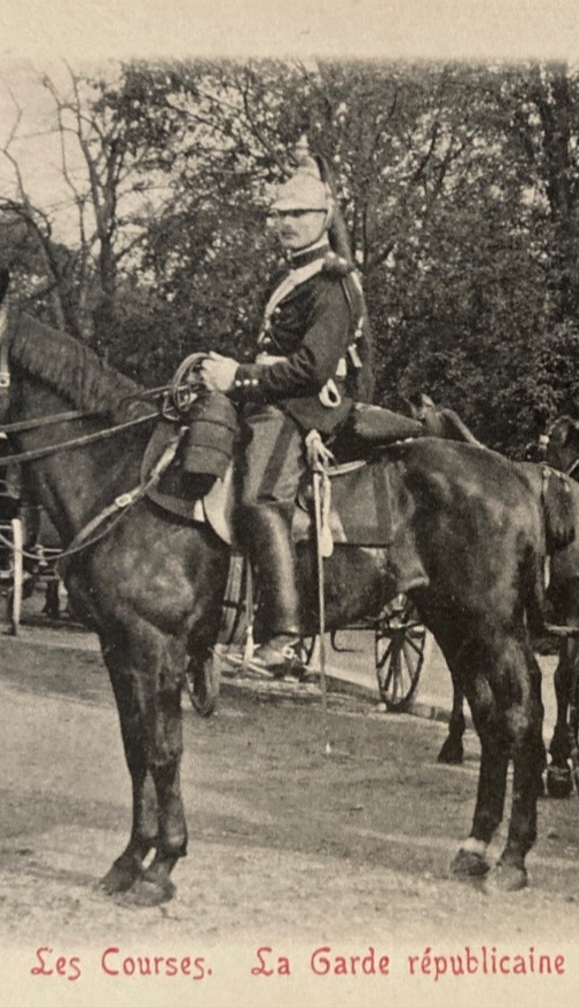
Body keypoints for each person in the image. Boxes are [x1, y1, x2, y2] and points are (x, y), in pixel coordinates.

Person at [197, 147, 369, 675]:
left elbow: (314, 369)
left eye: (297, 214)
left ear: (323, 218)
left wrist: (240, 377)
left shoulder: (333, 284)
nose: (285, 223)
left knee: (260, 496)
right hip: (281, 397)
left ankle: (285, 636)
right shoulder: (296, 278)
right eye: (278, 214)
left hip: (311, 406)